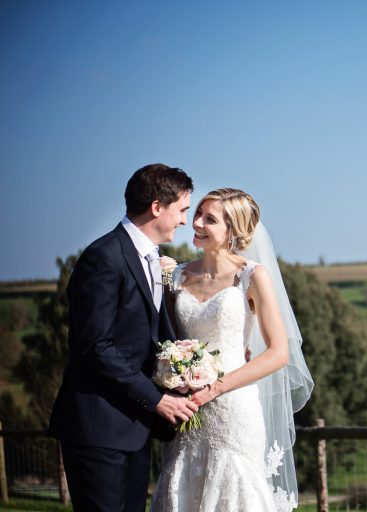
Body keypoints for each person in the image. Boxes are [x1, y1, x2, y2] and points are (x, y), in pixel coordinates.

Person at [150, 188, 313, 512]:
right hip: (188, 408)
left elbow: (278, 352)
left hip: (234, 409)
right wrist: (173, 375)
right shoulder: (177, 275)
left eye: (209, 219)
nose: (195, 222)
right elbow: (163, 340)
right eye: (196, 214)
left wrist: (216, 388)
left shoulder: (251, 276)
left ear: (233, 230)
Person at [49, 164, 199, 512]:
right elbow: (94, 346)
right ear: (157, 207)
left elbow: (152, 337)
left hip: (134, 427)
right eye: (182, 210)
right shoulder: (103, 257)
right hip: (98, 428)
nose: (183, 221)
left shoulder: (152, 260)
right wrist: (155, 399)